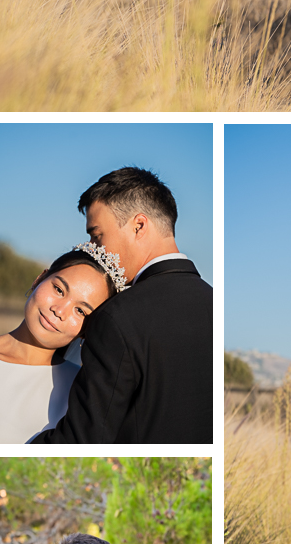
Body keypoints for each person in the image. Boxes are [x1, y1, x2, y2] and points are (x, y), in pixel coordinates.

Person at [32, 166, 213, 444]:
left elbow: (84, 439)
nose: (93, 250)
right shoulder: (213, 304)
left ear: (139, 226)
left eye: (97, 236)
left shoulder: (117, 317)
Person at [0, 246, 123, 443]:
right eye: (59, 289)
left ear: (88, 331)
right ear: (39, 279)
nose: (59, 311)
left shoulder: (85, 392)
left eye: (80, 311)